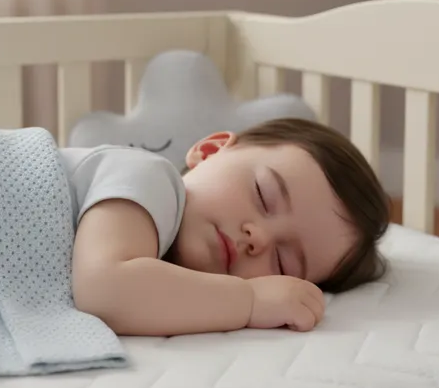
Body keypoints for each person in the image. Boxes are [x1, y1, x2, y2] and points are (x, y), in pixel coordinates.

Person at [65, 117, 391, 338]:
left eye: (283, 263)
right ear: (209, 152)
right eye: (263, 195)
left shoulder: (162, 271)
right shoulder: (148, 178)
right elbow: (104, 289)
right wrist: (251, 300)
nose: (258, 238)